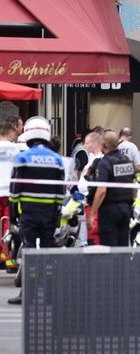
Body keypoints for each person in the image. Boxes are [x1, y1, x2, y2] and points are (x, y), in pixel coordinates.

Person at [8, 117, 65, 304]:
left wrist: (14, 213)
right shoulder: (57, 159)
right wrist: (57, 214)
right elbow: (60, 191)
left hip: (29, 214)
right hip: (49, 214)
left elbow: (15, 189)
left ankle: (27, 294)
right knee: (48, 254)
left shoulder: (23, 157)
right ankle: (50, 294)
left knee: (29, 252)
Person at [88, 131, 135, 247]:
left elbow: (102, 191)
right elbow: (134, 187)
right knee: (123, 246)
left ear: (103, 145)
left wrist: (92, 213)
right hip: (125, 209)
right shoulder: (128, 161)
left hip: (109, 211)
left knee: (109, 248)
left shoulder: (104, 163)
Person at [0, 122, 22, 272]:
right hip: (10, 192)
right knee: (9, 226)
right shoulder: (16, 149)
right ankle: (9, 260)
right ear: (10, 133)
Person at [76, 131, 104, 246]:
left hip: (91, 201)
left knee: (93, 231)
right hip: (85, 200)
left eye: (87, 143)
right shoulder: (92, 159)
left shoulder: (100, 159)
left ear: (95, 144)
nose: (85, 146)